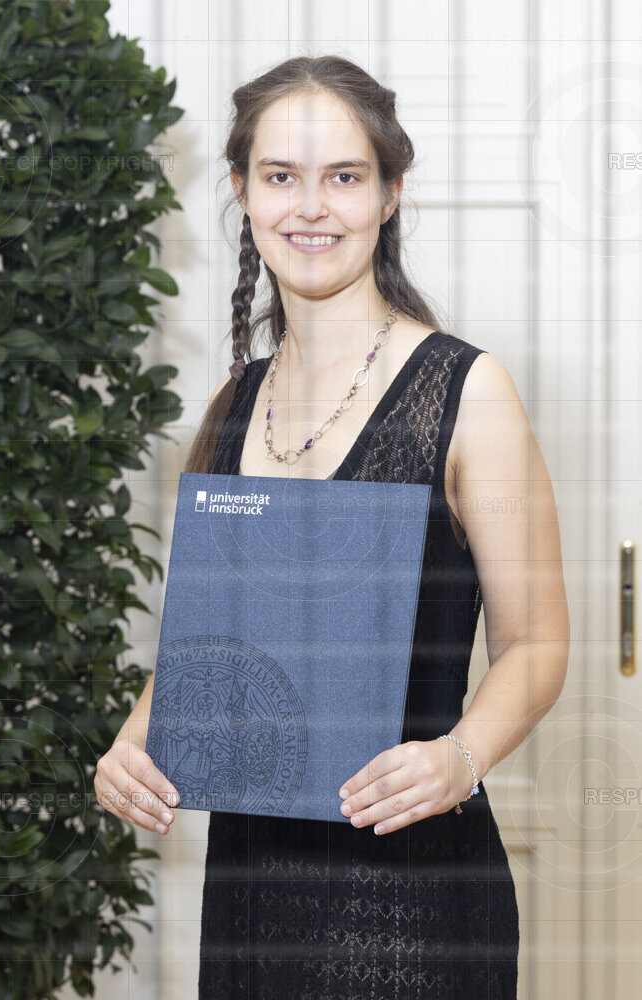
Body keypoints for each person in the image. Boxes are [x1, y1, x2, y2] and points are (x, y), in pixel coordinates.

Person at [95, 55, 570, 998]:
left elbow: (538, 644)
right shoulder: (233, 403)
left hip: (416, 894)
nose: (310, 208)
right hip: (250, 891)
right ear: (242, 192)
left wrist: (460, 757)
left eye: (343, 177)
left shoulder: (468, 392)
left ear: (390, 194)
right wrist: (131, 745)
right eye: (281, 176)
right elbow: (207, 647)